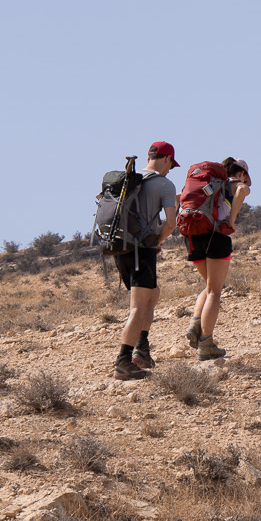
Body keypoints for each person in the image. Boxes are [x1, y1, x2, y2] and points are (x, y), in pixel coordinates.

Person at [115, 141, 181, 381]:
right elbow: (171, 223)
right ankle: (124, 361)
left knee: (152, 294)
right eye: (171, 165)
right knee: (139, 306)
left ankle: (142, 349)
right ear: (166, 160)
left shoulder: (129, 179)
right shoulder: (164, 184)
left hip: (121, 249)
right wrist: (158, 241)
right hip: (141, 250)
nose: (170, 169)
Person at [184, 157, 251, 361]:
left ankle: (195, 323)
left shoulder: (207, 184)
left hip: (192, 236)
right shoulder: (233, 183)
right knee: (215, 290)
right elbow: (242, 191)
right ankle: (206, 343)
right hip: (217, 236)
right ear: (241, 173)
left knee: (209, 284)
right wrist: (231, 219)